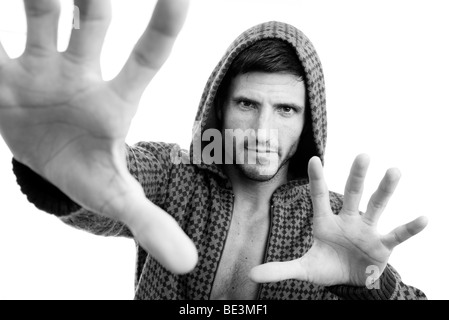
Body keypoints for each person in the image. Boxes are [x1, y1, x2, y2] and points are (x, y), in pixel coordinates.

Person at [0, 0, 428, 300]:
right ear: (219, 107)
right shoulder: (174, 176)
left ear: (307, 121)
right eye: (247, 104)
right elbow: (112, 183)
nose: (263, 130)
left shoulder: (332, 222)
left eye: (285, 109)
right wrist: (56, 168)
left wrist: (369, 284)